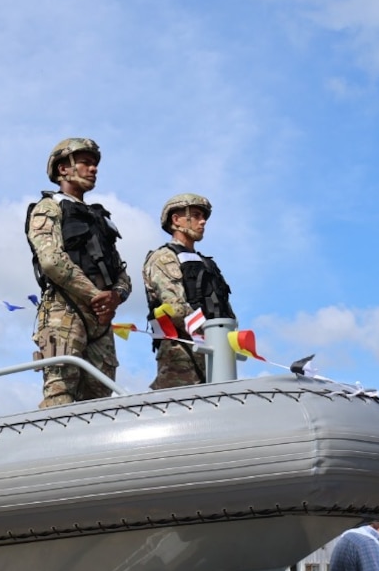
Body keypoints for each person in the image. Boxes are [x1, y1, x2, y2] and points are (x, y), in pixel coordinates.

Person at [26, 138, 132, 408]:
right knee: (60, 398)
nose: (93, 168)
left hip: (102, 318)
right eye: (85, 162)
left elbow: (121, 272)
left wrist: (115, 296)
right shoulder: (49, 208)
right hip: (65, 311)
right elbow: (51, 261)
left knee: (100, 403)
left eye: (95, 164)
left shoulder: (101, 218)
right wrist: (97, 295)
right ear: (63, 169)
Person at [141, 193, 234, 389]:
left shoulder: (207, 263)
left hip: (216, 354)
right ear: (176, 220)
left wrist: (227, 340)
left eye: (204, 218)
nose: (203, 222)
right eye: (197, 215)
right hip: (181, 354)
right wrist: (212, 333)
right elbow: (174, 308)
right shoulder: (164, 257)